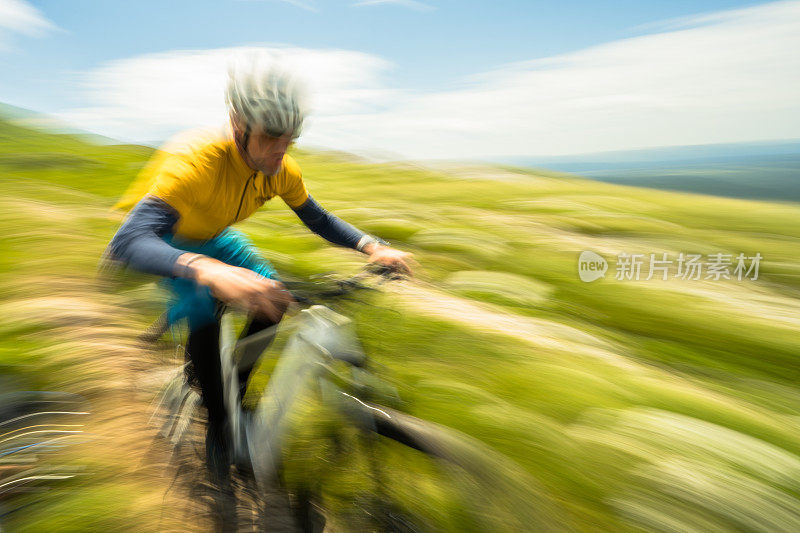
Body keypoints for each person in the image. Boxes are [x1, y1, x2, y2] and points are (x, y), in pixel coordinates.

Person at [106, 62, 412, 487]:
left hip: (214, 234)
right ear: (238, 125)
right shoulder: (195, 163)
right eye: (270, 136)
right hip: (169, 240)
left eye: (289, 139)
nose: (280, 150)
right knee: (200, 305)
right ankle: (219, 421)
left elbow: (317, 219)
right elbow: (127, 242)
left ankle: (237, 390)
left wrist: (372, 246)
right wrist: (206, 269)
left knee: (275, 297)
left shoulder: (281, 169)